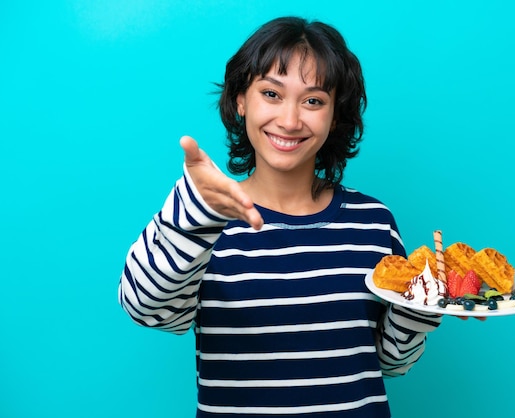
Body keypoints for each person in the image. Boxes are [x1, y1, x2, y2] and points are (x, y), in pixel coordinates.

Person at [118, 16, 442, 418]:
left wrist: (421, 310)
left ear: (334, 116)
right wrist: (198, 212)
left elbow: (392, 362)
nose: (289, 120)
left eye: (313, 101)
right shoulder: (205, 219)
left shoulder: (373, 221)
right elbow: (147, 310)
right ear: (241, 100)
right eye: (271, 93)